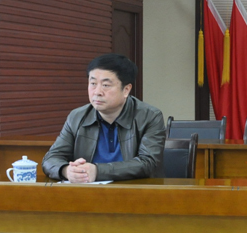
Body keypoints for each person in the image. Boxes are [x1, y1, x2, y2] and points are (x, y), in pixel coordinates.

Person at [42, 54, 166, 182]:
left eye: (106, 85)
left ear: (126, 90)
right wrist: (67, 170)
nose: (97, 92)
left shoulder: (149, 116)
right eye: (93, 83)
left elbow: (148, 163)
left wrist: (97, 171)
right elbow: (51, 158)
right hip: (88, 191)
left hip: (134, 190)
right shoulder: (77, 116)